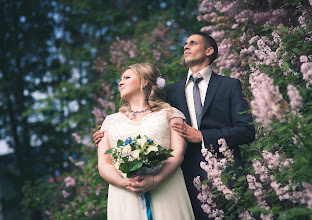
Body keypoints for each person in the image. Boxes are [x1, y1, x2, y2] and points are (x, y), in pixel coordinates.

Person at [94, 32, 255, 219]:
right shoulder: (169, 92)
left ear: (209, 50)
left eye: (193, 43)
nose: (186, 46)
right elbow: (145, 117)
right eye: (185, 43)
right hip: (184, 179)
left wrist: (202, 136)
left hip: (224, 174)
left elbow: (246, 130)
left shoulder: (229, 85)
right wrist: (104, 135)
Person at [97, 63, 195, 220]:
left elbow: (177, 152)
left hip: (166, 188)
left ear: (145, 82)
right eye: (120, 79)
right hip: (124, 195)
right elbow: (104, 163)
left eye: (127, 77)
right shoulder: (110, 121)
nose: (120, 82)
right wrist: (127, 183)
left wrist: (156, 179)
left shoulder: (170, 114)